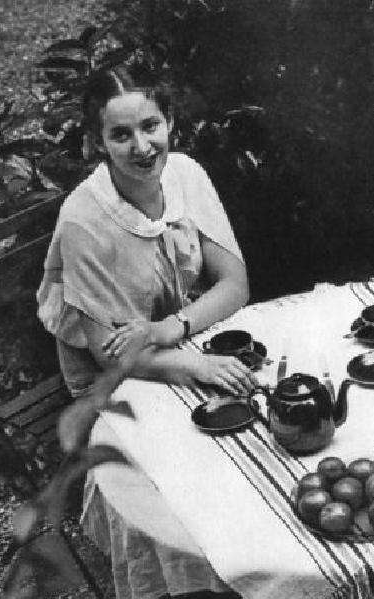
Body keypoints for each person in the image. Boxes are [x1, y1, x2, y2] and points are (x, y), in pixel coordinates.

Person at [37, 67, 256, 397]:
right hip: (112, 378)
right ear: (99, 142)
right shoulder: (81, 221)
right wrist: (197, 365)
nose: (142, 147)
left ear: (168, 121)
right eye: (121, 135)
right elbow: (110, 355)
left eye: (150, 126)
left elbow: (235, 285)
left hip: (181, 337)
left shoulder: (185, 173)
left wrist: (169, 328)